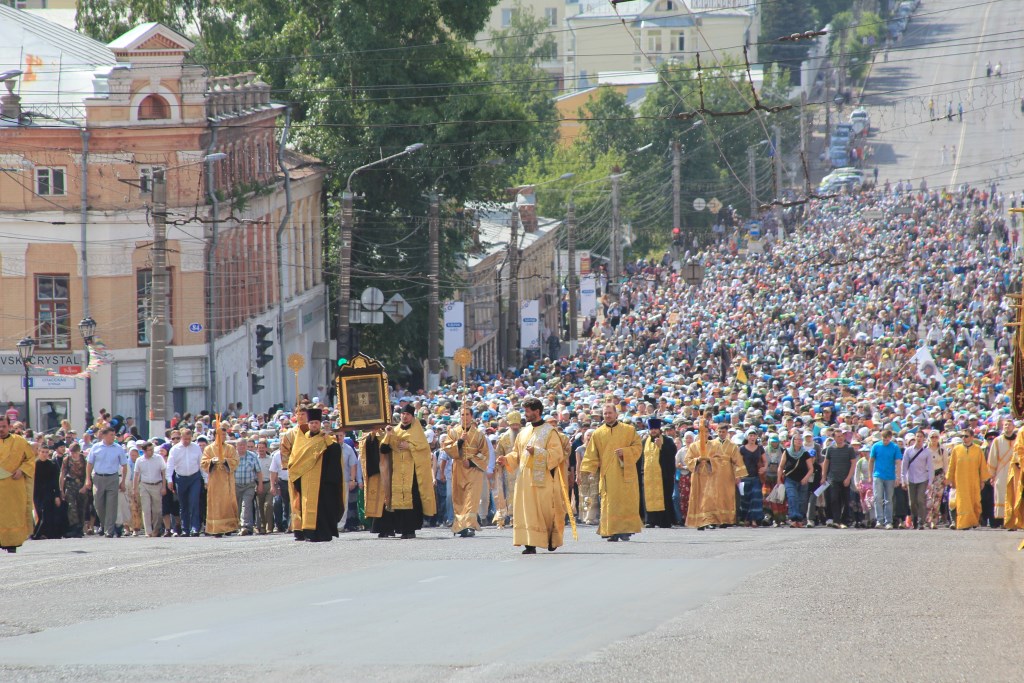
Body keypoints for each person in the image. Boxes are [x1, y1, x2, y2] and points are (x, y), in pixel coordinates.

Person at [498, 397, 568, 554]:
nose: (525, 414)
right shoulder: (523, 432)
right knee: (526, 511)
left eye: (527, 411)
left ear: (537, 411)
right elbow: (517, 453)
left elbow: (557, 454)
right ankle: (529, 543)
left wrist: (537, 453)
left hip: (543, 480)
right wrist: (506, 459)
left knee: (546, 511)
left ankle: (551, 539)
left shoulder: (550, 431)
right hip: (524, 480)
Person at [580, 402, 642, 542]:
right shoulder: (598, 433)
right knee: (610, 503)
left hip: (625, 472)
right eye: (605, 413)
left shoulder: (629, 430)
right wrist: (588, 471)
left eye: (610, 413)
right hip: (607, 475)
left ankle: (625, 530)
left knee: (625, 502)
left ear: (616, 414)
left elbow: (638, 447)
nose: (607, 415)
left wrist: (625, 453)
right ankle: (611, 530)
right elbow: (591, 454)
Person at [380, 405, 436, 539]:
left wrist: (409, 446)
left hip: (413, 473)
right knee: (399, 499)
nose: (404, 416)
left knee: (413, 500)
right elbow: (384, 449)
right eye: (403, 414)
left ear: (412, 416)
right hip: (398, 472)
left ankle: (410, 529)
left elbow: (424, 449)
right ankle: (401, 528)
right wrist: (388, 435)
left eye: (408, 414)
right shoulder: (395, 430)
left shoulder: (417, 431)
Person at [289, 408, 344, 542]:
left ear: (320, 424)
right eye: (312, 423)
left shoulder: (327, 438)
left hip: (324, 480)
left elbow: (336, 454)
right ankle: (310, 533)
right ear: (308, 424)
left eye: (316, 423)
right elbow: (294, 459)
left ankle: (325, 533)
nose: (314, 425)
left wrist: (328, 442)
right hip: (306, 479)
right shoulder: (301, 440)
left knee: (324, 508)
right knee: (307, 506)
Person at [440, 406, 488, 538]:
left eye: (467, 414)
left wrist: (472, 462)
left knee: (471, 498)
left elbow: (484, 455)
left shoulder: (479, 434)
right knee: (459, 497)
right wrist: (460, 441)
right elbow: (447, 448)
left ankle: (470, 525)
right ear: (459, 416)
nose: (465, 417)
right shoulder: (453, 432)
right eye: (462, 414)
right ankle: (461, 526)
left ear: (471, 416)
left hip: (473, 470)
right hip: (459, 469)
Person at [85, 427, 128, 538]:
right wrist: (88, 479)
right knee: (98, 504)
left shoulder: (118, 448)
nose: (113, 437)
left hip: (112, 477)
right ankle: (104, 524)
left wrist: (122, 481)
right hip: (98, 478)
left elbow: (124, 465)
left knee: (111, 505)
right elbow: (89, 464)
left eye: (114, 435)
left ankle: (109, 530)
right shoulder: (96, 447)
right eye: (111, 435)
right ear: (104, 435)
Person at [0, 415, 34, 552]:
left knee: (12, 516)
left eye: (3, 426)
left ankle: (12, 543)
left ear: (9, 426)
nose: (1, 429)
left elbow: (30, 459)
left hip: (13, 487)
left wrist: (22, 469)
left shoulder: (20, 442)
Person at [200, 423, 240, 537]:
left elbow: (236, 461)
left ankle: (228, 527)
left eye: (224, 434)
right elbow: (203, 463)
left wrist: (226, 461)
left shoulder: (230, 448)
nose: (222, 436)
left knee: (228, 503)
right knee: (216, 504)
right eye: (220, 434)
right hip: (215, 481)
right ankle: (216, 528)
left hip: (227, 480)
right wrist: (212, 461)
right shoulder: (209, 448)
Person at [946, 429, 988, 530]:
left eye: (966, 436)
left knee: (975, 501)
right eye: (962, 436)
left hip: (974, 480)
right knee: (962, 502)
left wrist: (983, 480)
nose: (964, 438)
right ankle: (964, 523)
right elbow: (952, 465)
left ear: (972, 437)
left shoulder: (978, 450)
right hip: (960, 481)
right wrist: (950, 479)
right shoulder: (956, 449)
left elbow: (982, 466)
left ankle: (973, 521)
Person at [166, 428, 204, 537]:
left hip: (194, 478)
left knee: (194, 502)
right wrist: (169, 479)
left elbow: (201, 463)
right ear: (181, 437)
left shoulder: (196, 448)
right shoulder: (175, 449)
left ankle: (195, 528)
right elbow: (170, 465)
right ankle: (185, 529)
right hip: (181, 478)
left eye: (189, 439)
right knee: (183, 505)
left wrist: (205, 479)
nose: (187, 441)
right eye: (184, 438)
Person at [640, 418, 677, 528]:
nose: (654, 431)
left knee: (664, 497)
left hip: (663, 476)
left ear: (659, 429)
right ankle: (650, 520)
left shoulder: (667, 440)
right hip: (647, 475)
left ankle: (664, 521)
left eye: (656, 429)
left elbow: (672, 454)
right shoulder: (643, 442)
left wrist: (662, 447)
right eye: (652, 429)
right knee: (648, 497)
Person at [360, 428, 393, 537]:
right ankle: (380, 527)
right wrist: (373, 435)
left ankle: (390, 528)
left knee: (389, 499)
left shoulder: (390, 432)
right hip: (376, 471)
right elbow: (366, 451)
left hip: (389, 470)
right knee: (379, 502)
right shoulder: (368, 435)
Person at [492, 411, 522, 528]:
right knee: (510, 493)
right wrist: (498, 464)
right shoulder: (504, 438)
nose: (515, 427)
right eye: (512, 425)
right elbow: (499, 453)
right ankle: (512, 516)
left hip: (523, 468)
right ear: (509, 424)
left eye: (517, 425)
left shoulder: (525, 434)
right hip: (509, 470)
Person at [821, 428, 856, 528]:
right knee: (834, 499)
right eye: (838, 436)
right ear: (834, 438)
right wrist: (824, 476)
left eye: (841, 436)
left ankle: (844, 521)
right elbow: (826, 462)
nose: (840, 438)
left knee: (846, 500)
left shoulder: (849, 449)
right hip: (833, 478)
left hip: (845, 478)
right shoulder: (830, 449)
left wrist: (848, 478)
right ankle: (836, 521)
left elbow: (853, 463)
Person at [868, 429, 903, 530]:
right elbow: (871, 461)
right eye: (884, 439)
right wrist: (870, 475)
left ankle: (889, 522)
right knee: (877, 498)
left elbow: (898, 462)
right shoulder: (876, 446)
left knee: (889, 500)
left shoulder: (895, 447)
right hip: (878, 475)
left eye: (887, 440)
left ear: (890, 438)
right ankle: (879, 520)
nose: (885, 441)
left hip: (890, 476)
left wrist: (898, 477)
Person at [778, 431, 813, 528]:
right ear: (793, 441)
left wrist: (806, 478)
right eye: (796, 439)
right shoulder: (787, 452)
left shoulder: (805, 453)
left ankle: (800, 520)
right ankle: (793, 519)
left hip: (802, 480)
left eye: (800, 439)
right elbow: (781, 467)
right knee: (792, 498)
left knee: (802, 500)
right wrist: (778, 479)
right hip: (790, 479)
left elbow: (811, 468)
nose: (798, 441)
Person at [132, 441, 167, 537]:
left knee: (157, 510)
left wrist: (164, 486)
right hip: (144, 485)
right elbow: (136, 475)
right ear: (144, 451)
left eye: (152, 449)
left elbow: (164, 472)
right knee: (146, 509)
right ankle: (148, 531)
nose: (152, 451)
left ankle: (156, 529)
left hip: (157, 485)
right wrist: (134, 489)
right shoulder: (139, 460)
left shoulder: (158, 458)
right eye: (149, 450)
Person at [31, 443, 64, 540]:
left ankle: (37, 534)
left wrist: (57, 495)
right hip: (36, 493)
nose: (44, 454)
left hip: (48, 493)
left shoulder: (52, 465)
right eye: (42, 452)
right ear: (38, 452)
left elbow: (55, 481)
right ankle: (38, 533)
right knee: (39, 514)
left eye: (46, 452)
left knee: (45, 513)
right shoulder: (34, 465)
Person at [901, 431, 933, 530]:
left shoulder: (927, 452)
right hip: (911, 478)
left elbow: (930, 468)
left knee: (920, 500)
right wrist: (903, 479)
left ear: (924, 438)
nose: (919, 438)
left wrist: (930, 482)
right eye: (917, 436)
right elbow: (904, 466)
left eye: (921, 437)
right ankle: (914, 519)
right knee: (912, 502)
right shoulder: (908, 451)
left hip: (922, 479)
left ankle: (921, 522)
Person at [987, 419, 1014, 527]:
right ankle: (1004, 520)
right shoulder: (997, 441)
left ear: (1013, 427)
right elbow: (992, 458)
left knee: (1014, 495)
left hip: (1014, 470)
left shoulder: (1019, 440)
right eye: (1005, 425)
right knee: (1002, 494)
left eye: (1009, 425)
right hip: (1001, 472)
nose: (1007, 426)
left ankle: (1014, 519)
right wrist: (992, 475)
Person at [60, 442, 89, 538]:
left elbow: (87, 474)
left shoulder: (84, 460)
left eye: (75, 453)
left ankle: (80, 528)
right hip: (70, 484)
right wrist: (61, 489)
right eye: (72, 452)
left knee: (82, 506)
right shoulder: (67, 460)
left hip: (81, 483)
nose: (73, 455)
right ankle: (74, 527)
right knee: (71, 506)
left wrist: (85, 486)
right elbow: (62, 474)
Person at [233, 437, 262, 536]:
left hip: (249, 485)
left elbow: (258, 471)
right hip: (235, 485)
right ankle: (237, 526)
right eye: (239, 445)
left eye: (243, 445)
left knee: (246, 504)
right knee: (237, 506)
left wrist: (260, 485)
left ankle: (245, 526)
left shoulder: (253, 456)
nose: (241, 447)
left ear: (246, 446)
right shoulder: (232, 456)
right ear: (236, 446)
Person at [737, 429, 766, 527]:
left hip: (756, 477)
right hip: (745, 477)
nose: (752, 437)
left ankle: (754, 520)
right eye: (750, 435)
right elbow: (738, 463)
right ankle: (745, 519)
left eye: (754, 435)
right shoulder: (742, 449)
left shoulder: (760, 448)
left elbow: (765, 461)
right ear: (747, 437)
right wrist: (738, 476)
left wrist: (764, 468)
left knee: (755, 498)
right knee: (745, 499)